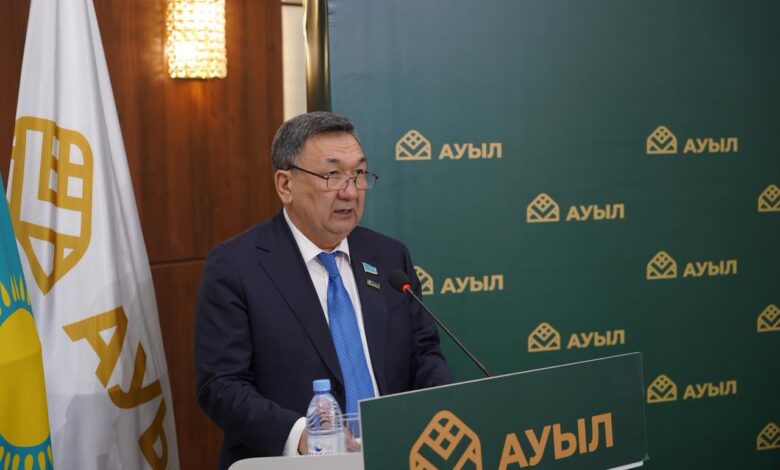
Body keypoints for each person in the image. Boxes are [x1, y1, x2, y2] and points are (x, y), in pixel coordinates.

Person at [194, 111, 452, 469]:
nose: (350, 191)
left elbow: (424, 353)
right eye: (332, 175)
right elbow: (221, 385)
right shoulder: (237, 266)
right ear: (285, 185)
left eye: (358, 174)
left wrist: (442, 408)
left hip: (398, 455)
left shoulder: (389, 256)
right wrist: (303, 434)